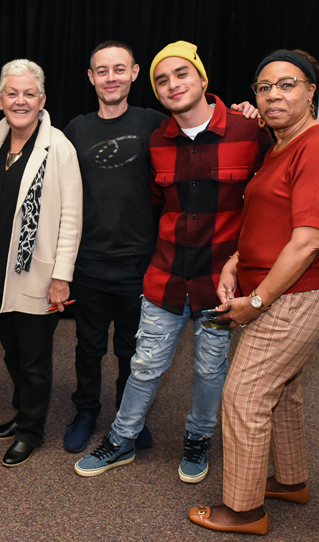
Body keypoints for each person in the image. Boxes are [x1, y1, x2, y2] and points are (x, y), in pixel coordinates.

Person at [75, 41, 272, 484]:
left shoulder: (247, 129)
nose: (172, 84)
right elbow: (148, 203)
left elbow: (271, 198)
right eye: (162, 80)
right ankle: (122, 437)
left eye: (181, 74)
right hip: (164, 277)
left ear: (202, 78)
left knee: (209, 369)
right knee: (144, 364)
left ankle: (198, 438)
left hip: (219, 284)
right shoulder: (157, 141)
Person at [188, 49, 319, 535]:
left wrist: (255, 302)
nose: (274, 94)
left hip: (301, 292)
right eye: (264, 87)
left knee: (245, 394)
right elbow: (270, 220)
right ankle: (292, 480)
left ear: (311, 91)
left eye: (287, 84)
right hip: (275, 288)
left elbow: (307, 241)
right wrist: (238, 265)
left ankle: (243, 510)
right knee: (284, 391)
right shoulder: (280, 143)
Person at [0, 59, 82, 467]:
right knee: (12, 352)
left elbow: (72, 218)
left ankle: (31, 431)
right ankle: (23, 412)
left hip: (38, 274)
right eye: (12, 93)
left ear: (42, 99)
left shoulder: (59, 147)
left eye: (29, 94)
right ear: (0, 99)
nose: (20, 101)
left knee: (35, 359)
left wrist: (61, 277)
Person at [60, 41, 165, 454]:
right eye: (102, 71)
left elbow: (202, 127)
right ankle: (85, 412)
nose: (111, 78)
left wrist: (246, 112)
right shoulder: (76, 129)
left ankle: (129, 415)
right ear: (91, 77)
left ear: (135, 73)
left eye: (119, 69)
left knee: (132, 348)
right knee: (88, 346)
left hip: (139, 262)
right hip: (87, 262)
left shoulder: (156, 124)